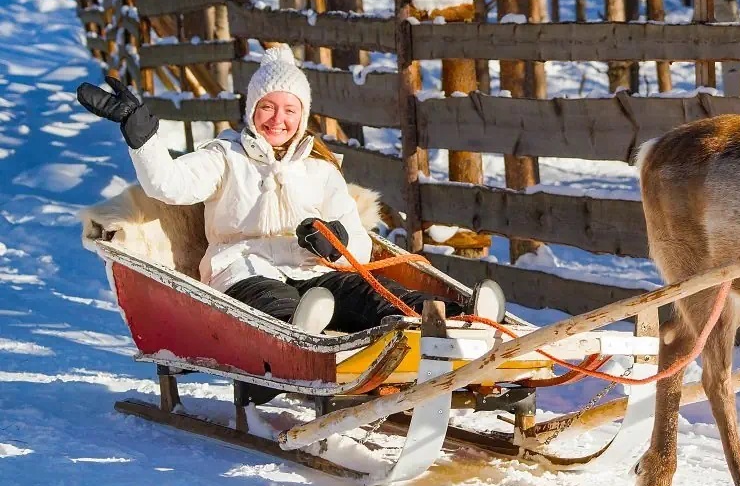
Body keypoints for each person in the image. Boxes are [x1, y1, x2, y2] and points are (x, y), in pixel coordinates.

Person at [76, 45, 503, 338]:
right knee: (274, 302)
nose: (277, 120)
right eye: (267, 107)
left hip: (314, 269)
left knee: (368, 294)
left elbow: (357, 242)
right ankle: (304, 340)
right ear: (251, 110)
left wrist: (333, 239)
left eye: (289, 110)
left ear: (303, 115)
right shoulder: (224, 155)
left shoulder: (320, 168)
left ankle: (460, 320)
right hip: (242, 271)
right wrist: (143, 138)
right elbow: (165, 185)